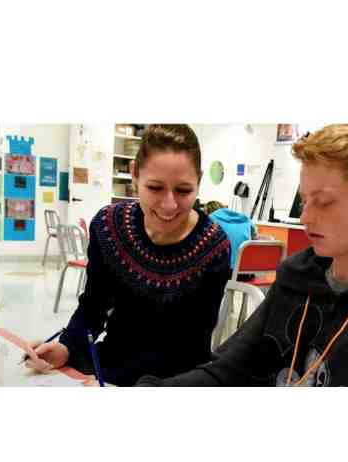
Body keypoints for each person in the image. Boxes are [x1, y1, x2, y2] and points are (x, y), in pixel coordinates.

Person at [137, 124, 348, 386]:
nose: (305, 217)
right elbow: (227, 371)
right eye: (305, 200)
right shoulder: (296, 280)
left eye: (324, 202)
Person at [25, 125, 232, 385]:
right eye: (155, 187)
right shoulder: (108, 226)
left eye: (183, 191)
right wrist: (67, 347)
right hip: (111, 362)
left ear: (199, 181)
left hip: (176, 379)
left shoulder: (212, 247)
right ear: (134, 174)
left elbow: (193, 344)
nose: (169, 204)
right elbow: (93, 306)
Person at [204, 200, 257, 270]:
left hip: (222, 270)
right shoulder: (244, 218)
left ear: (208, 212)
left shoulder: (209, 220)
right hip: (245, 269)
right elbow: (254, 239)